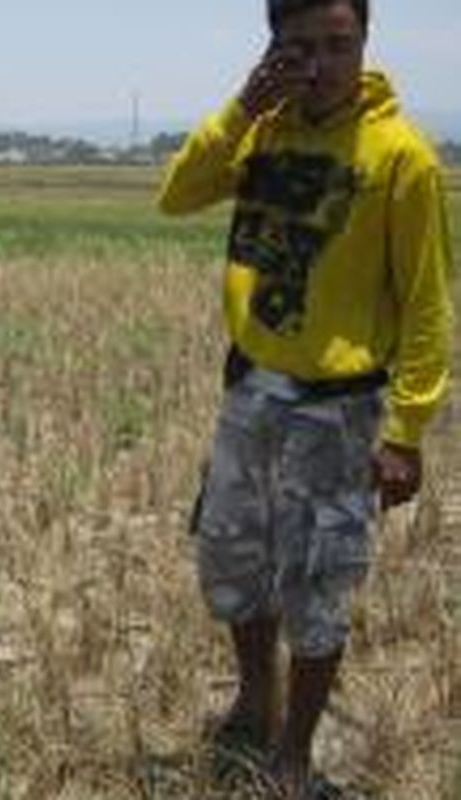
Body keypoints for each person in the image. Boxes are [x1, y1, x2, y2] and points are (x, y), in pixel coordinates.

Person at [157, 0, 453, 796]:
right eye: (301, 47)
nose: (321, 63)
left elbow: (427, 305)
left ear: (364, 41)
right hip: (250, 389)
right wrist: (243, 106)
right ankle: (257, 696)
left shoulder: (402, 159)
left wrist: (407, 431)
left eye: (338, 43)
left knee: (319, 587)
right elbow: (177, 194)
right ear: (273, 50)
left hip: (340, 409)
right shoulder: (263, 128)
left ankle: (293, 751)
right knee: (230, 560)